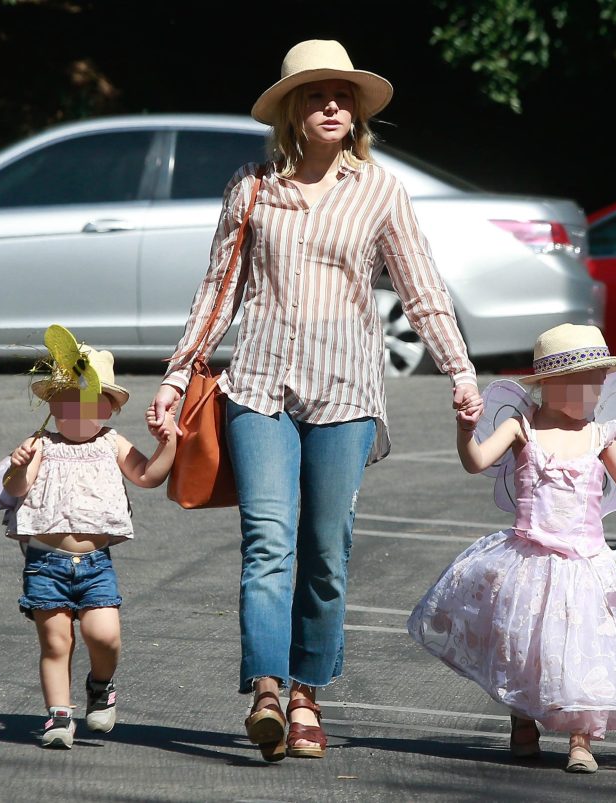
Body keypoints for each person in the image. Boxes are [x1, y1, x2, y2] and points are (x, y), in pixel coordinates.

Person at [147, 39, 480, 761]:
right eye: (314, 94)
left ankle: (308, 693)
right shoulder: (253, 185)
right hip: (258, 385)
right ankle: (267, 689)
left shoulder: (381, 191)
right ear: (292, 110)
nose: (331, 104)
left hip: (348, 393)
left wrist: (460, 369)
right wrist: (178, 375)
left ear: (355, 110)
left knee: (326, 551)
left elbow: (422, 290)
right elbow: (218, 290)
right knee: (268, 541)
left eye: (342, 95)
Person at [407, 323, 616, 773]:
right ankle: (523, 720)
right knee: (525, 645)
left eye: (599, 384)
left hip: (587, 563)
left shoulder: (602, 435)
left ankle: (581, 739)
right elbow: (476, 461)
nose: (595, 394)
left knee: (586, 647)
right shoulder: (522, 427)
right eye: (586, 385)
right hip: (531, 557)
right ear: (553, 385)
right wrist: (465, 432)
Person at [0, 339, 176, 749]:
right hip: (46, 564)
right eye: (66, 403)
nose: (77, 413)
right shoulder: (42, 445)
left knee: (105, 636)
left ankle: (100, 685)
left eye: (88, 403)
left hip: (95, 563)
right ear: (53, 408)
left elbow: (149, 476)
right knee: (55, 641)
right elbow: (17, 489)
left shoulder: (112, 443)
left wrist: (168, 443)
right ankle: (58, 716)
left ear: (108, 408)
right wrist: (17, 466)